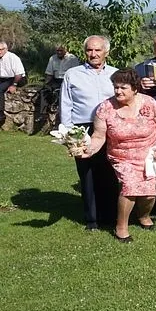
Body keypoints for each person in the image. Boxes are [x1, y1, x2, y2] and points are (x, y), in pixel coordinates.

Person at [79, 69, 156, 242]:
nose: (118, 91)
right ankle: (121, 227)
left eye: (123, 88)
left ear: (135, 89)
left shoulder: (150, 104)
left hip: (149, 156)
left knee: (150, 194)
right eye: (116, 87)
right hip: (122, 157)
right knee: (130, 186)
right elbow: (98, 136)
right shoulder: (105, 108)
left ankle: (143, 216)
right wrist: (88, 150)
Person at [59, 35, 119, 230]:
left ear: (106, 52)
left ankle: (110, 216)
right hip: (82, 128)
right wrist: (68, 134)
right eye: (89, 50)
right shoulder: (72, 74)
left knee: (109, 172)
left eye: (97, 50)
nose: (93, 54)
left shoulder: (116, 74)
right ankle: (92, 219)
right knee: (87, 174)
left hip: (110, 127)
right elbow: (65, 104)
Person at [0, 40, 27, 127]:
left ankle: (1, 116)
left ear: (6, 49)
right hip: (4, 78)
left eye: (1, 49)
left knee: (0, 89)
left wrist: (14, 85)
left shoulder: (12, 57)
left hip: (17, 78)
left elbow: (18, 74)